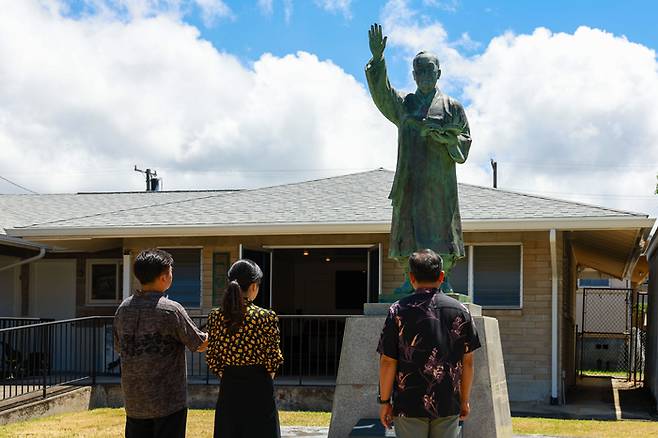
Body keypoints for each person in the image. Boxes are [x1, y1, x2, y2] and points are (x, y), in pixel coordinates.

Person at [366, 23, 472, 296]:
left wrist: (446, 138)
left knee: (440, 229)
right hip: (411, 180)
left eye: (429, 69)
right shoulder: (405, 104)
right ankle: (409, 279)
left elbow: (465, 141)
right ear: (413, 74)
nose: (424, 74)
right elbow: (383, 95)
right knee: (408, 229)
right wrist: (378, 60)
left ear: (439, 73)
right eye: (419, 70)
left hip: (440, 185)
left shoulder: (452, 107)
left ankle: (442, 279)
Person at [376, 249, 481, 438]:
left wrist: (384, 402)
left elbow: (387, 361)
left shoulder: (397, 310)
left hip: (408, 403)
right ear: (442, 276)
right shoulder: (461, 311)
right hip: (448, 401)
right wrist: (464, 400)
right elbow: (468, 362)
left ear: (411, 277)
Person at [113, 248, 208, 438]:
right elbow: (199, 344)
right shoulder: (170, 310)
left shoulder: (123, 310)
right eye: (171, 271)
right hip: (168, 402)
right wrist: (212, 334)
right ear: (163, 277)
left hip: (134, 402)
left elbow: (119, 347)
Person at [205, 259, 284, 438]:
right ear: (254, 286)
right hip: (259, 385)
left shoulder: (216, 316)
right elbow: (273, 358)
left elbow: (212, 357)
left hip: (230, 385)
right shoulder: (265, 317)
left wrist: (229, 374)